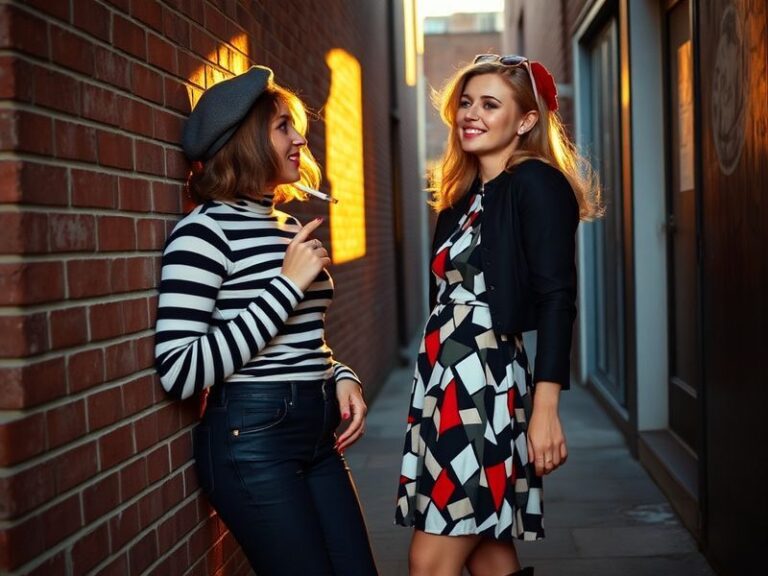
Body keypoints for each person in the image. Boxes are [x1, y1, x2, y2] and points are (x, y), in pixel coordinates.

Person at [153, 65, 378, 576]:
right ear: (246, 141)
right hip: (251, 443)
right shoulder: (202, 233)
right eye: (283, 126)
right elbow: (179, 369)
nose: (300, 138)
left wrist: (341, 375)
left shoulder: (285, 224)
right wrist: (285, 287)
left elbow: (301, 336)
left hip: (316, 435)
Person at [395, 54, 602, 576]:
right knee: (486, 550)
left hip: (480, 384)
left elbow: (558, 297)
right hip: (445, 380)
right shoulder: (463, 195)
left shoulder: (537, 183)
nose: (472, 113)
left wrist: (546, 409)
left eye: (491, 104)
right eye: (466, 102)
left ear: (526, 121)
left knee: (431, 560)